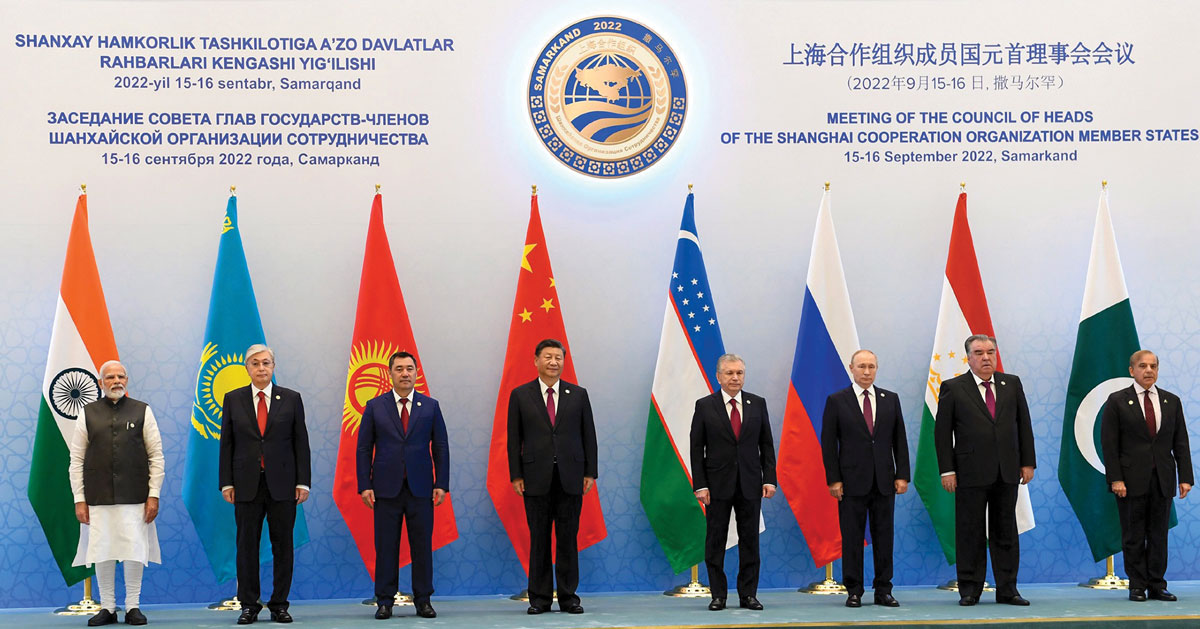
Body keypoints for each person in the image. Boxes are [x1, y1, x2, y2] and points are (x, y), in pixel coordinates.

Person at [935, 334, 1035, 606]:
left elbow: (1023, 425)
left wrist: (1028, 462)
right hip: (969, 472)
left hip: (1007, 470)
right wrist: (947, 471)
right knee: (970, 532)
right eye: (979, 352)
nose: (986, 357)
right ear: (968, 357)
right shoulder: (954, 388)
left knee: (1006, 532)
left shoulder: (1011, 384)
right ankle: (970, 589)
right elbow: (942, 434)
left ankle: (1008, 589)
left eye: (990, 351)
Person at [219, 345, 311, 625]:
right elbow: (227, 444)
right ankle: (249, 604)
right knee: (246, 546)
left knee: (283, 546)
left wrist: (303, 482)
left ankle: (279, 604)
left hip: (283, 485)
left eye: (266, 363)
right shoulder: (233, 399)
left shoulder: (291, 399)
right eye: (256, 364)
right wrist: (226, 483)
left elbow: (301, 443)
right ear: (247, 368)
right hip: (246, 484)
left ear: (273, 367)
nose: (261, 368)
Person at [69, 361, 163, 627]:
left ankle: (133, 606)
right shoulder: (88, 413)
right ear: (101, 383)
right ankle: (108, 607)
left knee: (134, 550)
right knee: (103, 551)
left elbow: (156, 456)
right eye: (110, 377)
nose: (116, 381)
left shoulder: (142, 411)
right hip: (97, 498)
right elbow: (76, 460)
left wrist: (153, 494)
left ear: (127, 380)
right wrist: (79, 499)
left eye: (121, 376)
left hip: (136, 496)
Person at [507, 339, 597, 615]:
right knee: (540, 540)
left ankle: (569, 598)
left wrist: (590, 472)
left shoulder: (578, 395)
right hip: (534, 478)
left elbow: (588, 436)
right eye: (548, 357)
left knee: (568, 539)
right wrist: (516, 475)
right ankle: (540, 599)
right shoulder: (521, 395)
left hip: (571, 477)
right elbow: (513, 439)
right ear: (536, 360)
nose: (553, 362)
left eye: (558, 357)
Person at [357, 351, 449, 619]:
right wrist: (365, 484)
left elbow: (440, 447)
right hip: (385, 489)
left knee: (422, 546)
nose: (405, 373)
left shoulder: (430, 406)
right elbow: (364, 448)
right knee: (386, 546)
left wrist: (441, 482)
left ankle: (423, 600)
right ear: (390, 374)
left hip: (421, 488)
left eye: (410, 368)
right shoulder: (375, 406)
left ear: (417, 372)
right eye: (399, 369)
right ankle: (385, 600)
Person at [1101, 349, 1193, 602]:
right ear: (1132, 371)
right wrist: (1115, 479)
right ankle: (1137, 586)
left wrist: (1185, 477)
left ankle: (1157, 585)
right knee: (1133, 535)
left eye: (1153, 366)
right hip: (1130, 481)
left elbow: (1181, 442)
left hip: (1162, 479)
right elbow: (1109, 444)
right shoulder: (1118, 400)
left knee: (1158, 535)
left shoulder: (1171, 401)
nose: (1149, 370)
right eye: (1143, 366)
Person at [820, 349, 909, 608]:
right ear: (851, 368)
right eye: (861, 367)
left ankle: (884, 590)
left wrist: (902, 474)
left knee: (885, 537)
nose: (866, 372)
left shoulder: (890, 399)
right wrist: (833, 480)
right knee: (852, 537)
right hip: (850, 483)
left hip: (884, 482)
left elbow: (899, 440)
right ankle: (854, 590)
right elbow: (828, 444)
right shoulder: (837, 400)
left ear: (877, 369)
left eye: (871, 366)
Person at [690, 353, 777, 612]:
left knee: (750, 541)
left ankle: (748, 594)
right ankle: (718, 595)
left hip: (750, 483)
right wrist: (700, 485)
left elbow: (767, 444)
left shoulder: (757, 403)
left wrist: (769, 478)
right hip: (716, 485)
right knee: (715, 541)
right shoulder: (705, 405)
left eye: (739, 373)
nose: (735, 377)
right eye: (729, 373)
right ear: (718, 376)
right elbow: (697, 448)